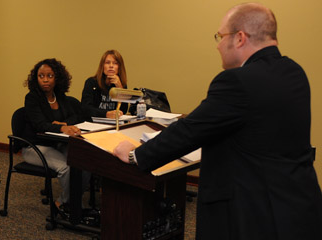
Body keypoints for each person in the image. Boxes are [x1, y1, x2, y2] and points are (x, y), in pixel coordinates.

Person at [113, 3, 322, 239]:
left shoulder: (237, 82)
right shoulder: (294, 72)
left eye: (220, 36)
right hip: (297, 209)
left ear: (240, 38)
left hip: (252, 217)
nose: (218, 45)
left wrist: (136, 154)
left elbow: (190, 130)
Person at [22, 58, 86, 211]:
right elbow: (40, 125)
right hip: (35, 147)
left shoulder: (60, 96)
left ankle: (66, 201)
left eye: (50, 76)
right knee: (66, 168)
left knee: (84, 163)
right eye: (41, 76)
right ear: (35, 78)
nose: (45, 80)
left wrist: (61, 124)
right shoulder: (32, 98)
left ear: (57, 78)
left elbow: (75, 116)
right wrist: (60, 128)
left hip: (57, 143)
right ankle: (69, 204)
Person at [81, 50, 129, 119]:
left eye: (115, 63)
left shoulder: (121, 84)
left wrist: (120, 89)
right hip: (94, 122)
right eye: (107, 63)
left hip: (114, 122)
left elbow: (123, 110)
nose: (111, 66)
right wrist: (106, 114)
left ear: (119, 67)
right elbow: (86, 108)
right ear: (102, 66)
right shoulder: (91, 82)